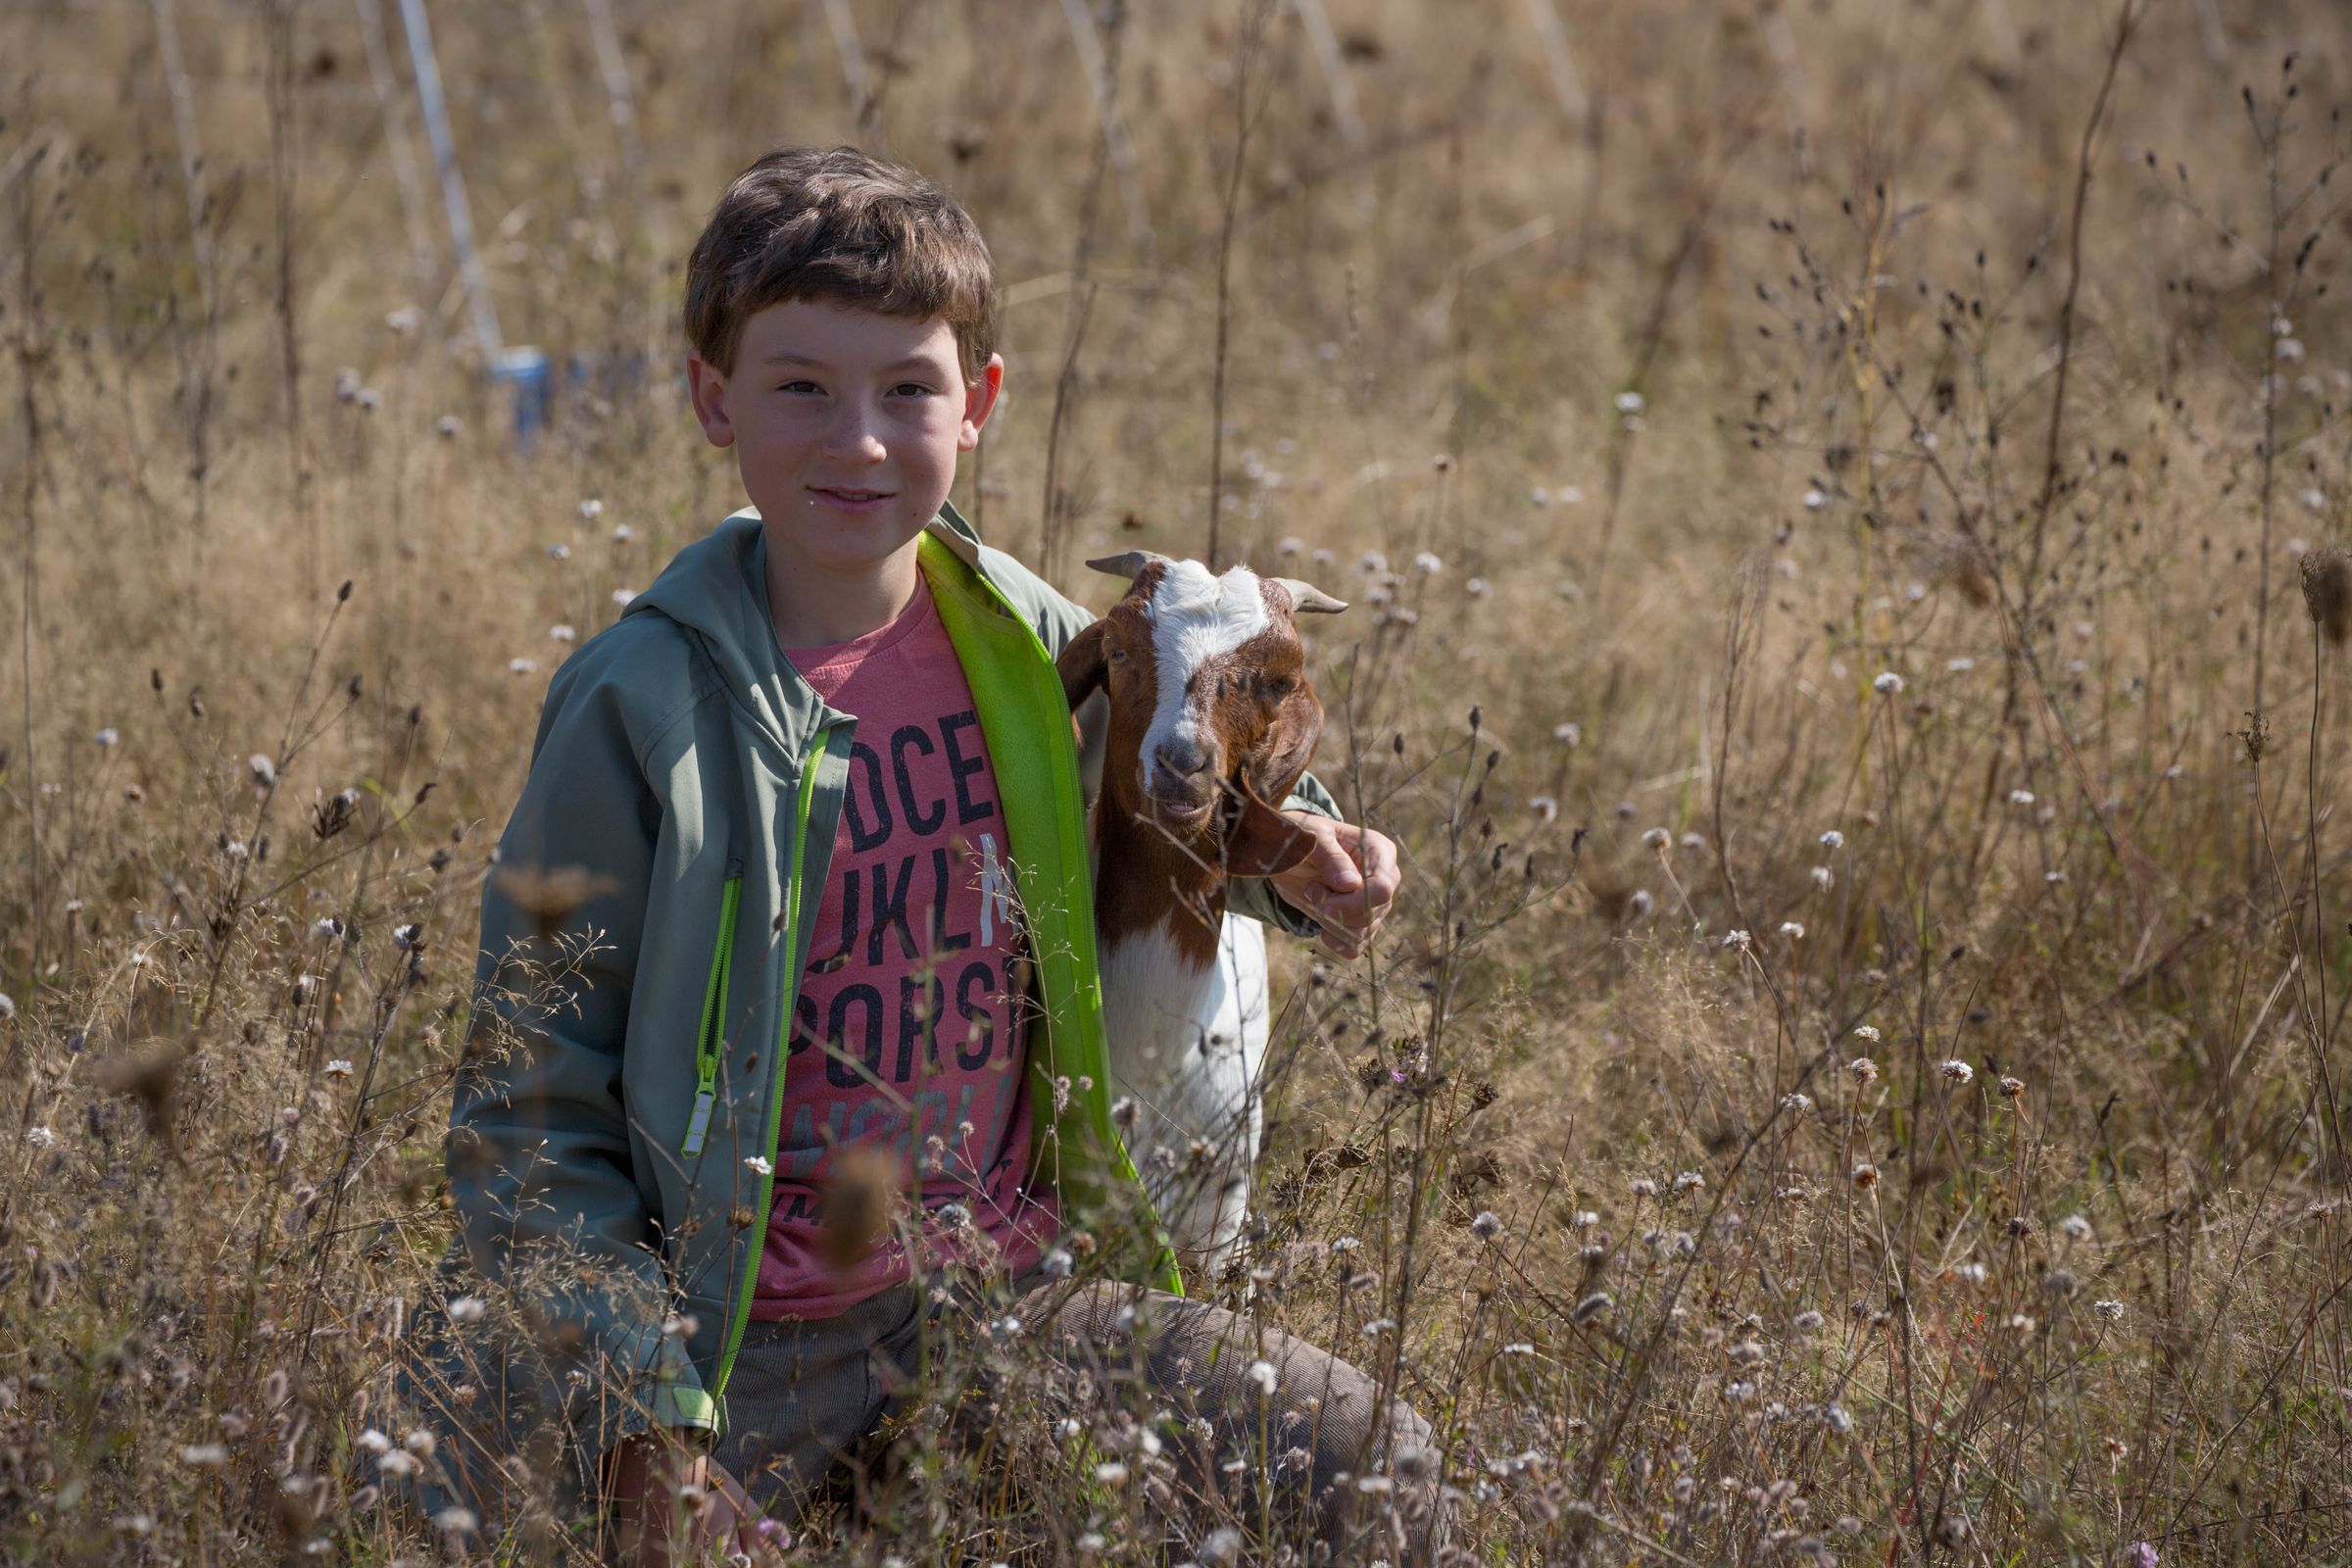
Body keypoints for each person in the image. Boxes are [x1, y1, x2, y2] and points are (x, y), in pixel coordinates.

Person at [388, 144, 1434, 1564]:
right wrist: (650, 1438)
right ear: (713, 398)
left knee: (1373, 1468)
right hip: (722, 1343)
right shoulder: (640, 707)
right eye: (801, 386)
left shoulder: (1018, 632)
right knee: (474, 1525)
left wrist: (1288, 857)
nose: (860, 440)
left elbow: (1143, 808)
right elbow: (530, 1113)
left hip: (994, 1301)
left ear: (980, 403)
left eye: (909, 390)